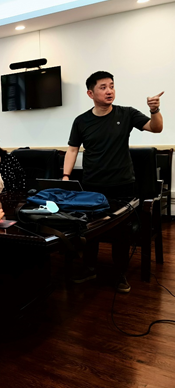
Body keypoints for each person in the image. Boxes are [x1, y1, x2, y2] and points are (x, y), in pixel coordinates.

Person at [63, 70, 164, 293]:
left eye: (111, 86)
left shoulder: (126, 113)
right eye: (103, 87)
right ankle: (89, 268)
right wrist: (66, 176)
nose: (109, 91)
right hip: (92, 186)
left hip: (122, 185)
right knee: (89, 230)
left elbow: (156, 128)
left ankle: (120, 274)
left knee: (121, 233)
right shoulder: (81, 121)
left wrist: (154, 110)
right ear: (90, 93)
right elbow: (72, 149)